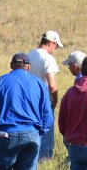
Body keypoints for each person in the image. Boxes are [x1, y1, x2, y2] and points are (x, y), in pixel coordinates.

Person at [0, 53, 54, 170]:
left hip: (6, 134)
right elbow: (48, 115)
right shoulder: (39, 84)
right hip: (32, 135)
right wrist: (38, 133)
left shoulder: (1, 81)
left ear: (11, 65)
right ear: (28, 66)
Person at [25, 30, 63, 161]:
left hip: (29, 100)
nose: (55, 48)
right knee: (46, 133)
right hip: (44, 100)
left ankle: (31, 159)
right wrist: (54, 101)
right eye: (56, 45)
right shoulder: (48, 58)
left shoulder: (29, 56)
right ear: (51, 43)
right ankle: (44, 161)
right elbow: (52, 85)